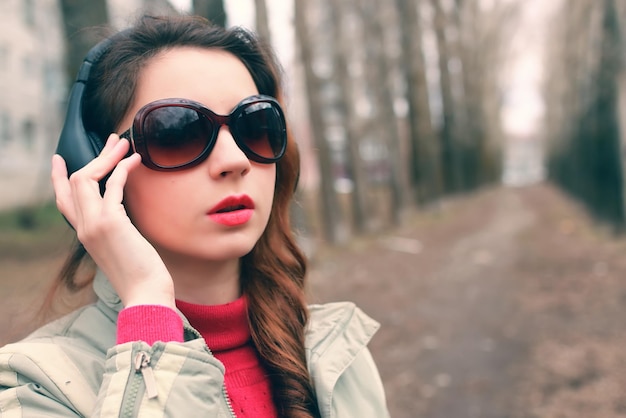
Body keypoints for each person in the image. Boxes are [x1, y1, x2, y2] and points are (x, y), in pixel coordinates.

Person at [0, 14, 389, 418]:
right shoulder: (33, 388)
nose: (235, 161)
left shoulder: (335, 354)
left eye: (254, 125)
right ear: (98, 167)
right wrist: (149, 310)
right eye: (177, 132)